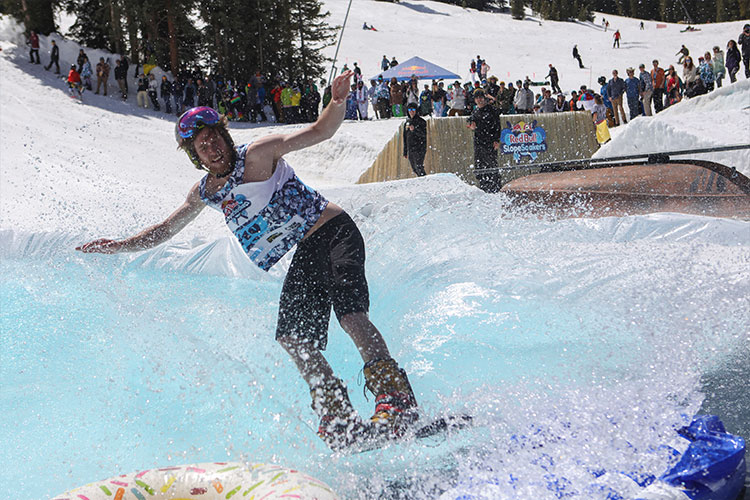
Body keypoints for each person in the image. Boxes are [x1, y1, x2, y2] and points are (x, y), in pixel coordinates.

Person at [75, 71, 419, 451]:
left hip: (334, 231)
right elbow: (164, 230)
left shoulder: (259, 153)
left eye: (215, 139)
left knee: (351, 316)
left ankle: (397, 401)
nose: (212, 148)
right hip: (305, 252)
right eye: (202, 147)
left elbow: (320, 132)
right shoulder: (206, 192)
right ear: (195, 156)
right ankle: (336, 415)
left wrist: (337, 104)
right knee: (293, 338)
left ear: (225, 135)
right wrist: (117, 246)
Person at [466, 89, 501, 193]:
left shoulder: (492, 110)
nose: (479, 100)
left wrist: (496, 140)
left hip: (490, 141)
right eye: (477, 98)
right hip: (478, 142)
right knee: (480, 166)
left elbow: (497, 126)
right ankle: (483, 187)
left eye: (481, 97)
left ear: (485, 98)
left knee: (491, 165)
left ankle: (495, 188)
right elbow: (470, 120)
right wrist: (471, 124)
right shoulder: (476, 110)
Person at [403, 102, 427, 177]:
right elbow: (405, 137)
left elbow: (423, 134)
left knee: (419, 166)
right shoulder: (407, 122)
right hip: (411, 148)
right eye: (410, 109)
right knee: (414, 168)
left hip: (419, 147)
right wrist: (405, 151)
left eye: (413, 109)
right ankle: (422, 179)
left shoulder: (421, 121)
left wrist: (415, 130)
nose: (411, 111)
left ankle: (425, 180)